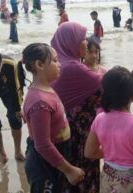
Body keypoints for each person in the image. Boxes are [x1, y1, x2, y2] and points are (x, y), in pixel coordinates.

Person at [50, 22, 133, 193]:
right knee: (84, 173)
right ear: (70, 42)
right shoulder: (73, 68)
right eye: (82, 40)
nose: (86, 43)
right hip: (79, 129)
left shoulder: (61, 63)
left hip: (68, 127)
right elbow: (111, 86)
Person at [22, 43, 85, 192]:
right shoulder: (40, 102)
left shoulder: (47, 88)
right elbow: (43, 144)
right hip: (44, 164)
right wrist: (69, 170)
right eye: (55, 60)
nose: (59, 64)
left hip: (56, 156)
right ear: (39, 65)